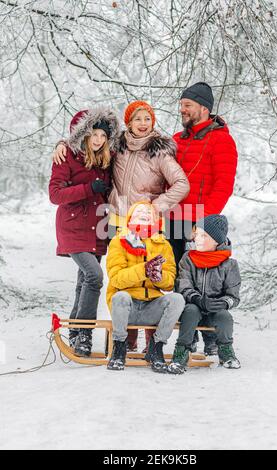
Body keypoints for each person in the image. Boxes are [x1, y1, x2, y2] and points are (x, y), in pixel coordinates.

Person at [52, 100, 190, 353]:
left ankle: (151, 341)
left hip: (146, 225)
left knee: (148, 277)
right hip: (117, 223)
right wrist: (63, 143)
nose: (143, 124)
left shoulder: (159, 152)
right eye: (137, 119)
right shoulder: (117, 147)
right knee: (121, 278)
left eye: (147, 119)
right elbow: (87, 139)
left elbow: (182, 183)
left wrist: (155, 206)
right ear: (128, 123)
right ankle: (122, 339)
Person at [167, 81, 239, 355]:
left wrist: (202, 222)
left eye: (187, 105)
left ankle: (211, 338)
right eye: (181, 105)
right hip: (173, 220)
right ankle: (187, 337)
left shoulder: (221, 140)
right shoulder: (177, 139)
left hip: (200, 223)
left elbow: (223, 185)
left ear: (204, 108)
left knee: (205, 280)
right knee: (178, 278)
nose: (182, 110)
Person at [49, 107, 120, 357]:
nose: (98, 139)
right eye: (93, 134)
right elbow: (55, 194)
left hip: (98, 228)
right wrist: (88, 188)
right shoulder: (67, 155)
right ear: (83, 134)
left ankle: (76, 332)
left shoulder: (106, 158)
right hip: (73, 227)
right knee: (94, 276)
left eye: (103, 135)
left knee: (83, 281)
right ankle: (85, 333)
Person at [106, 201, 186, 373]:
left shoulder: (163, 244)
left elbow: (170, 282)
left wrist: (158, 276)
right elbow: (116, 279)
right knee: (120, 296)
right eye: (139, 211)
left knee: (177, 299)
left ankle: (155, 348)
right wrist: (144, 270)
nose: (144, 213)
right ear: (130, 218)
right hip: (127, 308)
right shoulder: (118, 241)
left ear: (155, 220)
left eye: (148, 212)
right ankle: (119, 348)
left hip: (151, 306)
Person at [168, 214, 242, 374]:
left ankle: (226, 352)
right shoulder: (188, 259)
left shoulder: (230, 264)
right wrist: (197, 299)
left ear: (217, 240)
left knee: (224, 316)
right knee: (191, 312)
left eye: (204, 235)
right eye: (196, 234)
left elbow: (234, 296)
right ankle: (180, 353)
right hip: (193, 305)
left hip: (214, 308)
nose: (197, 239)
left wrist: (223, 303)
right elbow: (183, 285)